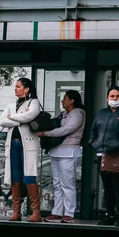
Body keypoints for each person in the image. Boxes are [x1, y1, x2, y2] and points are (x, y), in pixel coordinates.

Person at [90, 86, 119, 227]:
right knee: (107, 186)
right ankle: (109, 214)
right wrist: (93, 143)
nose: (114, 99)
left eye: (117, 96)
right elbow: (93, 129)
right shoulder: (101, 113)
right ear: (107, 98)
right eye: (112, 96)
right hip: (102, 153)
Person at [38, 90, 86, 223]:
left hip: (69, 150)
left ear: (72, 100)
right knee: (57, 183)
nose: (62, 101)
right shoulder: (64, 114)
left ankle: (69, 212)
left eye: (65, 98)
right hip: (56, 151)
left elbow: (66, 130)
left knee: (67, 183)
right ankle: (57, 212)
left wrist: (46, 133)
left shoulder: (78, 113)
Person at [0, 78, 42, 222]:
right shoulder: (10, 104)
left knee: (29, 176)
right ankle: (16, 211)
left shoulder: (33, 102)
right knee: (15, 177)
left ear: (27, 89)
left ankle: (36, 212)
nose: (15, 89)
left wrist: (12, 117)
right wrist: (20, 120)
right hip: (13, 145)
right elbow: (2, 121)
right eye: (15, 87)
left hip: (28, 145)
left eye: (18, 86)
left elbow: (30, 115)